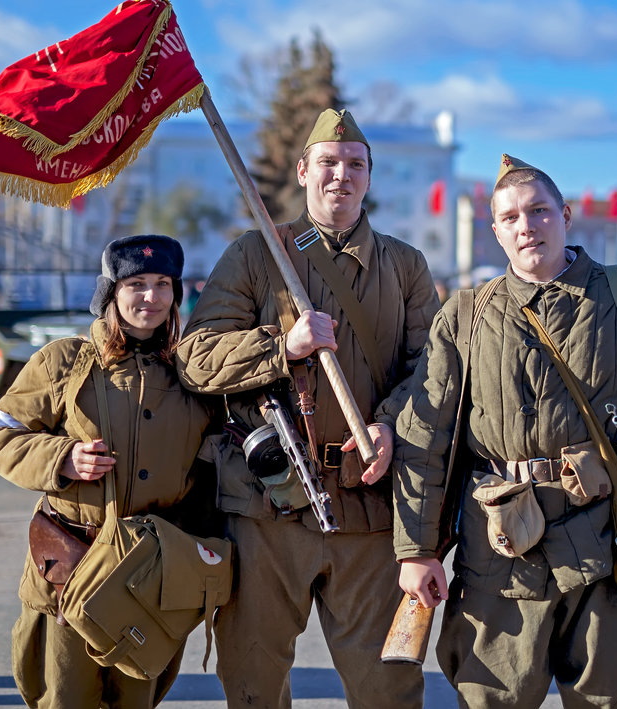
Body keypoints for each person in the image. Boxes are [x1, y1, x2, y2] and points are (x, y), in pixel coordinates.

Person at [392, 155, 617, 707]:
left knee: (605, 698)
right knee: (492, 699)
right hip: (498, 550)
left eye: (539, 211)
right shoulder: (464, 314)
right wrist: (417, 548)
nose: (526, 225)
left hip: (607, 539)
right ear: (496, 232)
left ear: (566, 216)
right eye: (510, 218)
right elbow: (424, 437)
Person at [176, 109, 439, 708]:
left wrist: (390, 423)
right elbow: (194, 358)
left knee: (388, 686)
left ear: (369, 177)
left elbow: (429, 372)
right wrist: (281, 346)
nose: (340, 176)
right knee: (253, 680)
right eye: (327, 163)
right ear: (302, 172)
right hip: (268, 504)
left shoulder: (405, 267)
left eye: (354, 165)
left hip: (368, 509)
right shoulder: (255, 255)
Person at [0, 235, 219, 707]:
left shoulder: (192, 374)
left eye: (162, 284)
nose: (151, 297)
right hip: (72, 568)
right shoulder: (64, 362)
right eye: (136, 284)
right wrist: (61, 458)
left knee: (137, 700)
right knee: (66, 697)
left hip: (153, 574)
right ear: (110, 292)